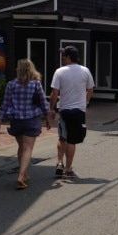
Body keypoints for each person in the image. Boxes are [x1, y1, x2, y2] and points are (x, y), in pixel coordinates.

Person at [0, 59, 50, 189]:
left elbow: (5, 103)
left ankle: (24, 174)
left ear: (18, 70)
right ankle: (21, 175)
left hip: (16, 120)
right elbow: (43, 102)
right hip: (31, 119)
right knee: (28, 148)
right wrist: (47, 118)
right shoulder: (36, 84)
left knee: (21, 147)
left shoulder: (11, 84)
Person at [49, 46, 94, 179]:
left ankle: (59, 162)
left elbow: (54, 93)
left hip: (64, 110)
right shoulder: (85, 71)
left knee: (62, 137)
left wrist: (51, 108)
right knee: (72, 141)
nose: (62, 58)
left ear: (68, 57)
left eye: (64, 55)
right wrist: (85, 103)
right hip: (78, 111)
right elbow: (90, 89)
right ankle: (68, 169)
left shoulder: (59, 72)